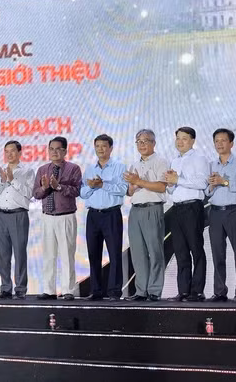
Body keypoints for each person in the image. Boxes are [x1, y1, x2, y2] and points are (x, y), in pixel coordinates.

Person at [33, 136, 83, 301]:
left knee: (67, 255)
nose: (54, 152)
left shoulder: (73, 169)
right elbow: (36, 194)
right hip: (47, 217)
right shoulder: (42, 170)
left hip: (65, 216)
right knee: (48, 255)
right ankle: (49, 290)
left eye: (58, 149)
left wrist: (59, 187)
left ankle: (68, 290)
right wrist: (45, 187)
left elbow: (77, 191)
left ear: (65, 151)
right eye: (51, 149)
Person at [79, 134, 127, 301]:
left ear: (111, 148)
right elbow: (82, 193)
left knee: (114, 254)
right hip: (93, 215)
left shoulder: (120, 167)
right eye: (97, 146)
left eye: (104, 146)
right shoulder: (90, 169)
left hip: (111, 214)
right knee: (93, 254)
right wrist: (92, 186)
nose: (100, 149)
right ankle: (96, 290)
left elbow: (122, 189)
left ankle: (114, 291)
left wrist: (103, 184)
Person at [206, 128, 236, 303]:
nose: (219, 144)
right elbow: (206, 192)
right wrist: (211, 185)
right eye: (216, 141)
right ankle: (219, 291)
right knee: (217, 253)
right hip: (215, 212)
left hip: (234, 211)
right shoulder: (211, 165)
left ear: (231, 143)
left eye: (223, 140)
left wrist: (223, 182)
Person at [123, 129, 168, 301]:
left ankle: (154, 290)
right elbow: (129, 191)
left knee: (154, 251)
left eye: (145, 141)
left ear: (154, 143)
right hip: (135, 210)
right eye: (138, 141)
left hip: (152, 208)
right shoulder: (134, 164)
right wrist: (133, 186)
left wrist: (139, 182)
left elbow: (162, 187)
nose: (142, 145)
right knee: (138, 252)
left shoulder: (161, 162)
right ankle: (141, 291)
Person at [165, 126, 209, 302]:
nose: (180, 141)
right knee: (180, 250)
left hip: (192, 207)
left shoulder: (200, 158)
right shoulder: (174, 161)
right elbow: (172, 190)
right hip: (176, 208)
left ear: (192, 141)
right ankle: (183, 290)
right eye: (177, 138)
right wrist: (170, 184)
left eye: (184, 138)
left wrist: (178, 180)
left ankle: (197, 291)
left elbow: (202, 183)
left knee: (196, 249)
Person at [0, 140, 35, 300]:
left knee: (19, 253)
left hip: (18, 215)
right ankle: (5, 287)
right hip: (1, 215)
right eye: (6, 151)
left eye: (12, 151)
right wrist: (3, 181)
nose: (9, 154)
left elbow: (29, 193)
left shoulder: (27, 171)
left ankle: (20, 288)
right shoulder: (0, 171)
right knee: (2, 254)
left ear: (19, 153)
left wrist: (12, 180)